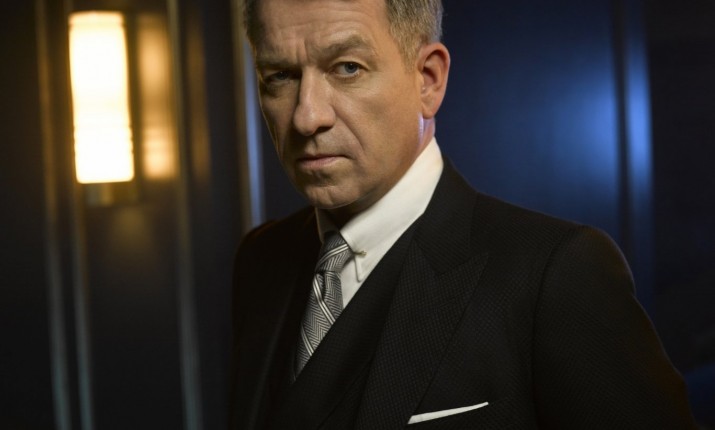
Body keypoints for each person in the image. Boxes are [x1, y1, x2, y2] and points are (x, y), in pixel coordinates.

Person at [229, 0, 698, 428]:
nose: (307, 117)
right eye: (280, 76)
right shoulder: (260, 259)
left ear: (428, 79)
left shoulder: (556, 275)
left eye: (347, 68)